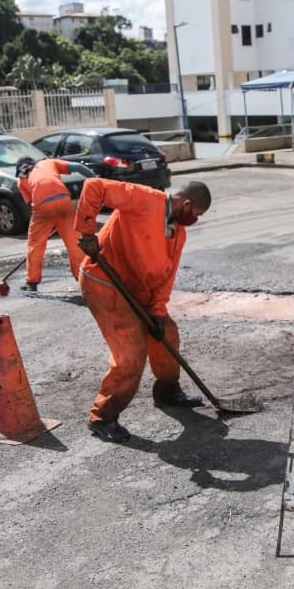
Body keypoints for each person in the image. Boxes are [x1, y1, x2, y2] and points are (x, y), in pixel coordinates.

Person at [74, 178, 213, 442]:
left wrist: (158, 312)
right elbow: (94, 186)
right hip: (104, 281)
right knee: (131, 350)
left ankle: (167, 391)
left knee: (166, 332)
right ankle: (102, 416)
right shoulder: (145, 199)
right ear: (186, 204)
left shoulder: (177, 234)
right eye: (196, 214)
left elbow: (166, 278)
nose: (195, 220)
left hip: (136, 291)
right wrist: (87, 232)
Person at [16, 157, 83, 292]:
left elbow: (31, 203)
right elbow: (78, 167)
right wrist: (96, 178)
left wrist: (48, 222)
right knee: (74, 242)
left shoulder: (21, 180)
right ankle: (83, 278)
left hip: (43, 207)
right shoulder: (48, 162)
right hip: (64, 201)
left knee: (36, 245)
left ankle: (32, 282)